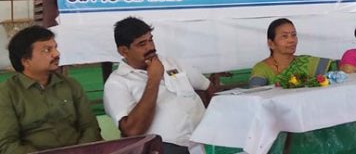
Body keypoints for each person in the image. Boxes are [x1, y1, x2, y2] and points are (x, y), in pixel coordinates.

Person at [104, 17, 216, 154]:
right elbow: (132, 131)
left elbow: (207, 87)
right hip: (161, 149)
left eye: (151, 40)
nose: (150, 47)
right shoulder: (117, 82)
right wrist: (154, 78)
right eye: (142, 44)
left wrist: (213, 127)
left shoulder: (172, 63)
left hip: (200, 144)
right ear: (123, 51)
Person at [0, 26, 101, 153]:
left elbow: (90, 128)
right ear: (26, 61)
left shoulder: (71, 85)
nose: (56, 54)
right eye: (47, 50)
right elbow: (7, 144)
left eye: (55, 48)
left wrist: (79, 151)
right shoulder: (7, 93)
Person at [249, 18, 334, 87]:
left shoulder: (305, 62)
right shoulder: (262, 69)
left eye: (293, 35)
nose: (291, 40)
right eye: (284, 36)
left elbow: (336, 66)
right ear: (271, 43)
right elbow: (255, 93)